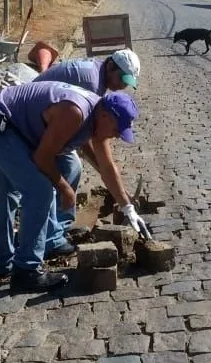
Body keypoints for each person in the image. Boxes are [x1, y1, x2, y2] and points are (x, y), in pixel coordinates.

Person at [0, 81, 152, 293]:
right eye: (116, 130)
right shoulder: (75, 112)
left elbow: (107, 168)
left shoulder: (97, 118)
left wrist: (128, 208)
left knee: (12, 191)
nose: (116, 136)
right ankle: (26, 271)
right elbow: (43, 157)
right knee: (39, 191)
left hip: (8, 123)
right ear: (105, 117)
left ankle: (2, 265)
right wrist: (65, 188)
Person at [32, 49, 141, 253]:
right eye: (122, 79)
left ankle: (56, 229)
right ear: (110, 66)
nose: (123, 86)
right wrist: (106, 172)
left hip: (50, 119)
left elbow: (91, 138)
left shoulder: (98, 75)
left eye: (127, 81)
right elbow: (89, 136)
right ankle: (50, 237)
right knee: (62, 171)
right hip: (36, 122)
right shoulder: (90, 84)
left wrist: (111, 181)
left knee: (71, 166)